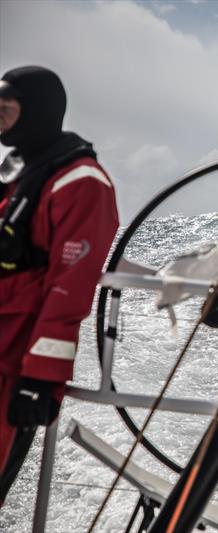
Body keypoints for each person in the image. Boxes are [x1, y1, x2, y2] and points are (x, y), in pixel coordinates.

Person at [0, 66, 119, 504]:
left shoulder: (82, 184)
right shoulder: (21, 173)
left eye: (6, 110)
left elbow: (70, 292)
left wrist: (39, 380)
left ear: (36, 113)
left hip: (13, 365)